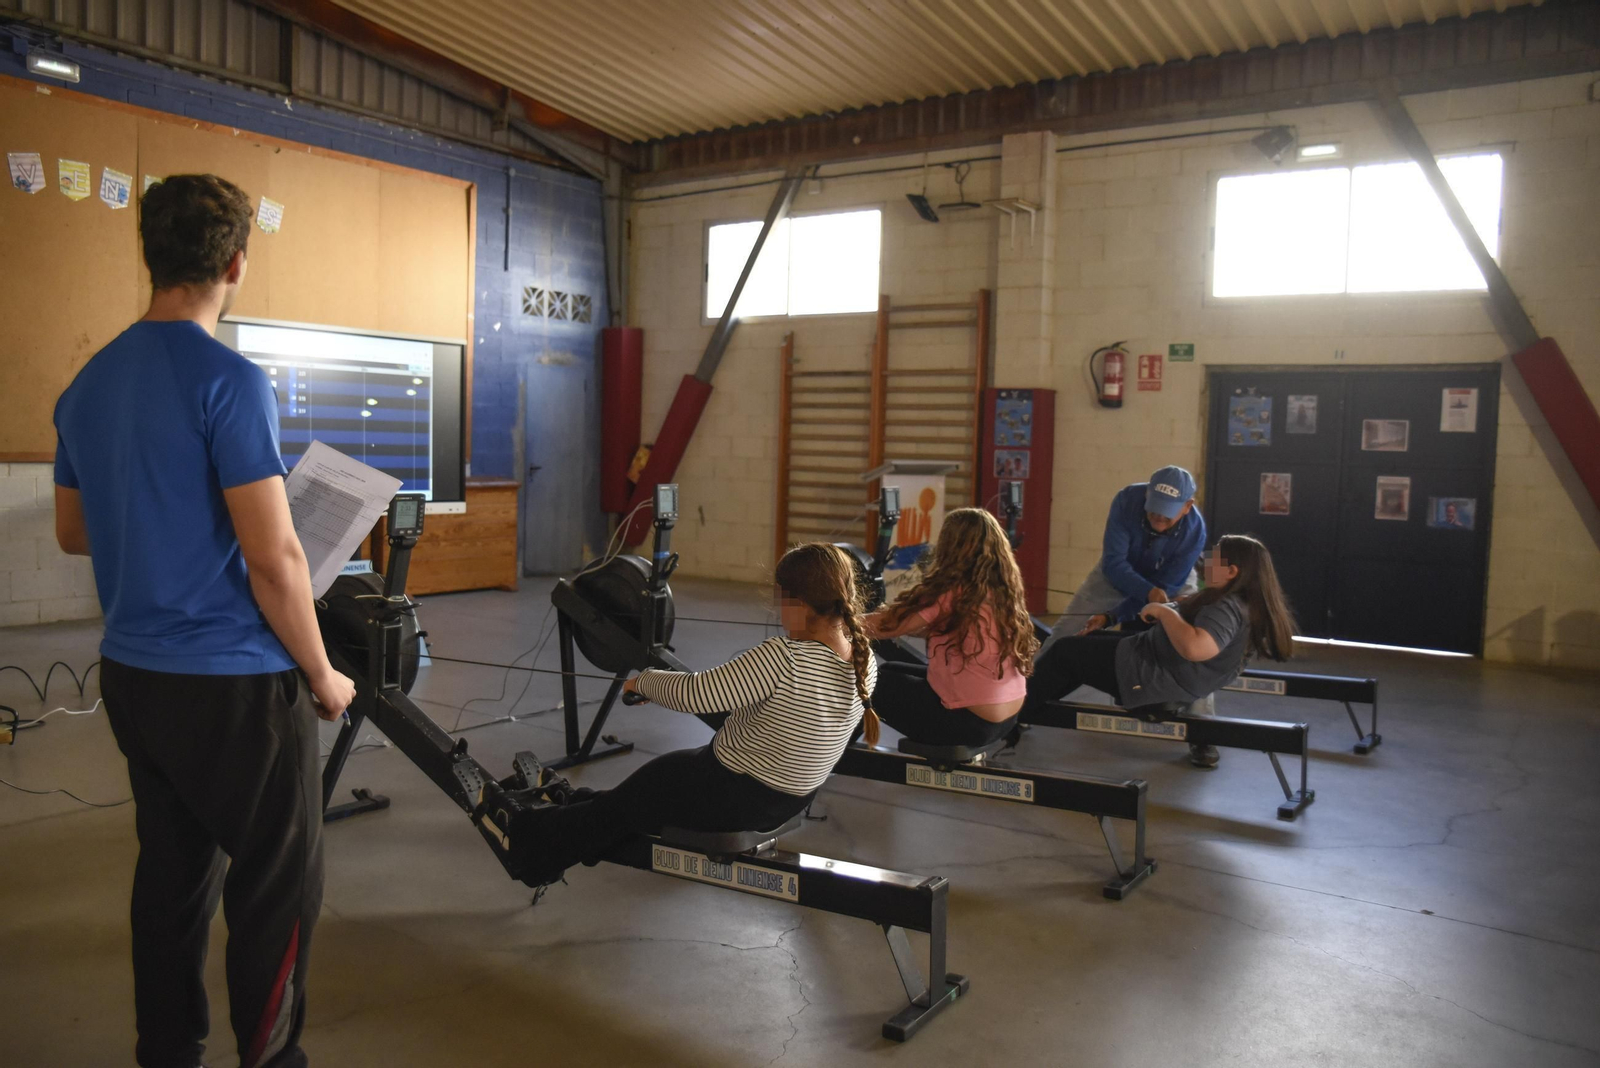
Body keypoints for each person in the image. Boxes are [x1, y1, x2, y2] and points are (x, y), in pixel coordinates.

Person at [52, 174, 354, 1068]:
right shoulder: (231, 381)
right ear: (236, 264)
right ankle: (272, 1057)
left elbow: (74, 532)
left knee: (172, 874)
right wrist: (322, 673)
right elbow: (276, 559)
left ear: (150, 255)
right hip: (234, 686)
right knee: (278, 884)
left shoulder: (87, 383)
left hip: (134, 677)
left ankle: (168, 1049)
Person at [490, 543, 879, 887]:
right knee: (633, 801)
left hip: (731, 792)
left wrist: (644, 682)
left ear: (800, 605)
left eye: (780, 603)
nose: (778, 615)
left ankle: (526, 839)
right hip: (786, 801)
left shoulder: (785, 657)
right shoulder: (865, 662)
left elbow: (699, 693)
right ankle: (572, 802)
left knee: (632, 802)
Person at [1025, 535, 1295, 768]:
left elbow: (1196, 647)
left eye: (1214, 559)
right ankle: (1029, 705)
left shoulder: (1226, 607)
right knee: (1083, 646)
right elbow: (1179, 607)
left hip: (1153, 678)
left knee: (1065, 651)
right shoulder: (1235, 601)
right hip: (1158, 663)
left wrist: (1165, 614)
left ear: (1232, 571)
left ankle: (1015, 712)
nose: (1206, 562)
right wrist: (1112, 617)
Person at [864, 508, 1039, 748]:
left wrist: (833, 621)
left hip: (966, 723)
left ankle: (831, 755)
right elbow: (933, 626)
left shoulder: (952, 589)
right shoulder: (1001, 588)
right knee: (889, 669)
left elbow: (888, 625)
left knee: (870, 684)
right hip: (1006, 719)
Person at [1039, 466, 1207, 656]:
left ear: (1187, 506)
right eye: (1155, 508)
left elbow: (1167, 585)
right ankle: (1035, 673)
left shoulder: (1195, 531)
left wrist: (1114, 615)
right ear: (1147, 493)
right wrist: (1146, 592)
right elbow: (1113, 563)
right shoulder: (1127, 500)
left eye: (1168, 512)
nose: (1160, 517)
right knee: (1068, 632)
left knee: (1185, 637)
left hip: (1168, 580)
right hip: (1119, 572)